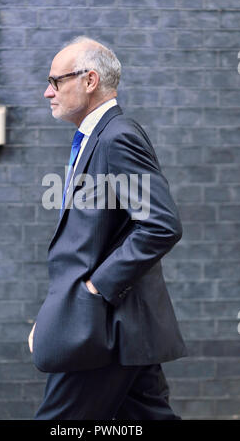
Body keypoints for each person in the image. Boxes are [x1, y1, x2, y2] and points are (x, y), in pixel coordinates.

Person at [28, 36, 188, 420]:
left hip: (105, 326)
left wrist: (93, 291)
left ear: (89, 80)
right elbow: (94, 238)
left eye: (56, 80)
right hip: (118, 328)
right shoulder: (93, 138)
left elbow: (160, 224)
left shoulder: (117, 137)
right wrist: (59, 310)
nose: (47, 91)